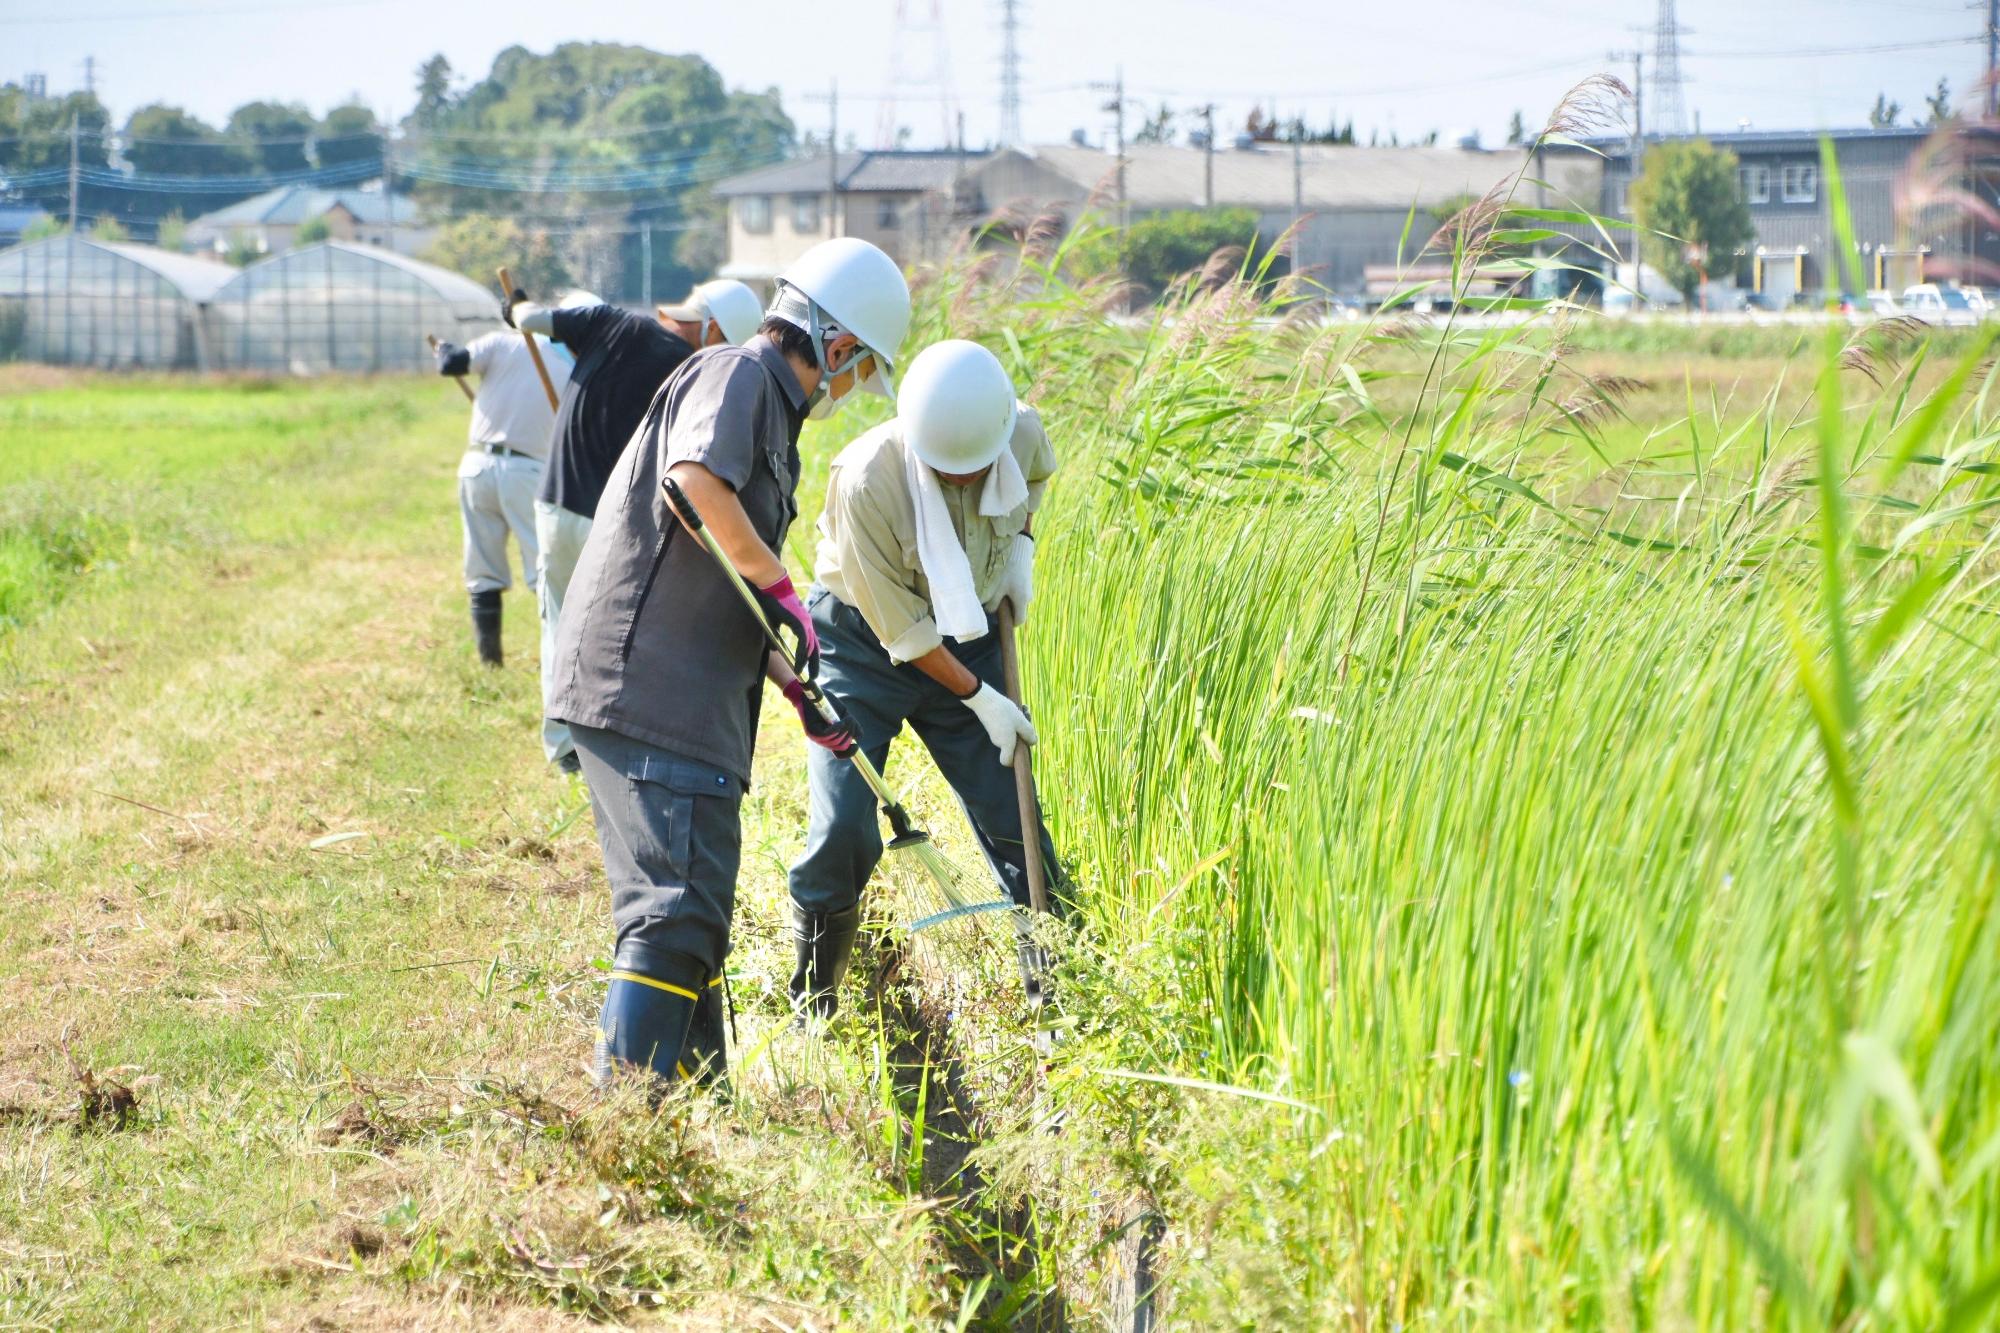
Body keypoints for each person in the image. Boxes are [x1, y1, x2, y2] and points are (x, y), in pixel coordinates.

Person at [546, 238, 911, 1087]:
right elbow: (693, 485)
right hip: (648, 687)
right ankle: (623, 1126)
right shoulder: (738, 375)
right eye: (856, 373)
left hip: (695, 697)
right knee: (671, 911)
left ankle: (701, 1117)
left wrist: (790, 678)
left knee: (698, 911)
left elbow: (723, 562)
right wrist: (786, 589)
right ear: (839, 341)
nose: (848, 390)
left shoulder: (769, 409)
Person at [785, 340, 1066, 1020]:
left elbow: (1029, 483)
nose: (965, 483)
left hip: (970, 631)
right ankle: (815, 998)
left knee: (1014, 810)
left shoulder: (1018, 429)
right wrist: (980, 698)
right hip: (862, 645)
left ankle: (1059, 986)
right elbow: (902, 632)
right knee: (844, 823)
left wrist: (1021, 549)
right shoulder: (865, 480)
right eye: (948, 473)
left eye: (975, 470)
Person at [507, 279, 762, 774]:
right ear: (711, 330)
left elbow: (531, 320)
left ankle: (565, 748)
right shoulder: (698, 376)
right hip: (617, 521)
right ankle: (607, 733)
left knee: (559, 622)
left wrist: (515, 304)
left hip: (559, 505)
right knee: (612, 629)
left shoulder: (610, 320)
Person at [431, 325, 574, 666]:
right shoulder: (572, 365)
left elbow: (451, 365)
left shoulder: (499, 344)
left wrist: (445, 348)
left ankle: (490, 663)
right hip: (528, 472)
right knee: (543, 568)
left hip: (476, 466)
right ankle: (559, 657)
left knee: (483, 567)